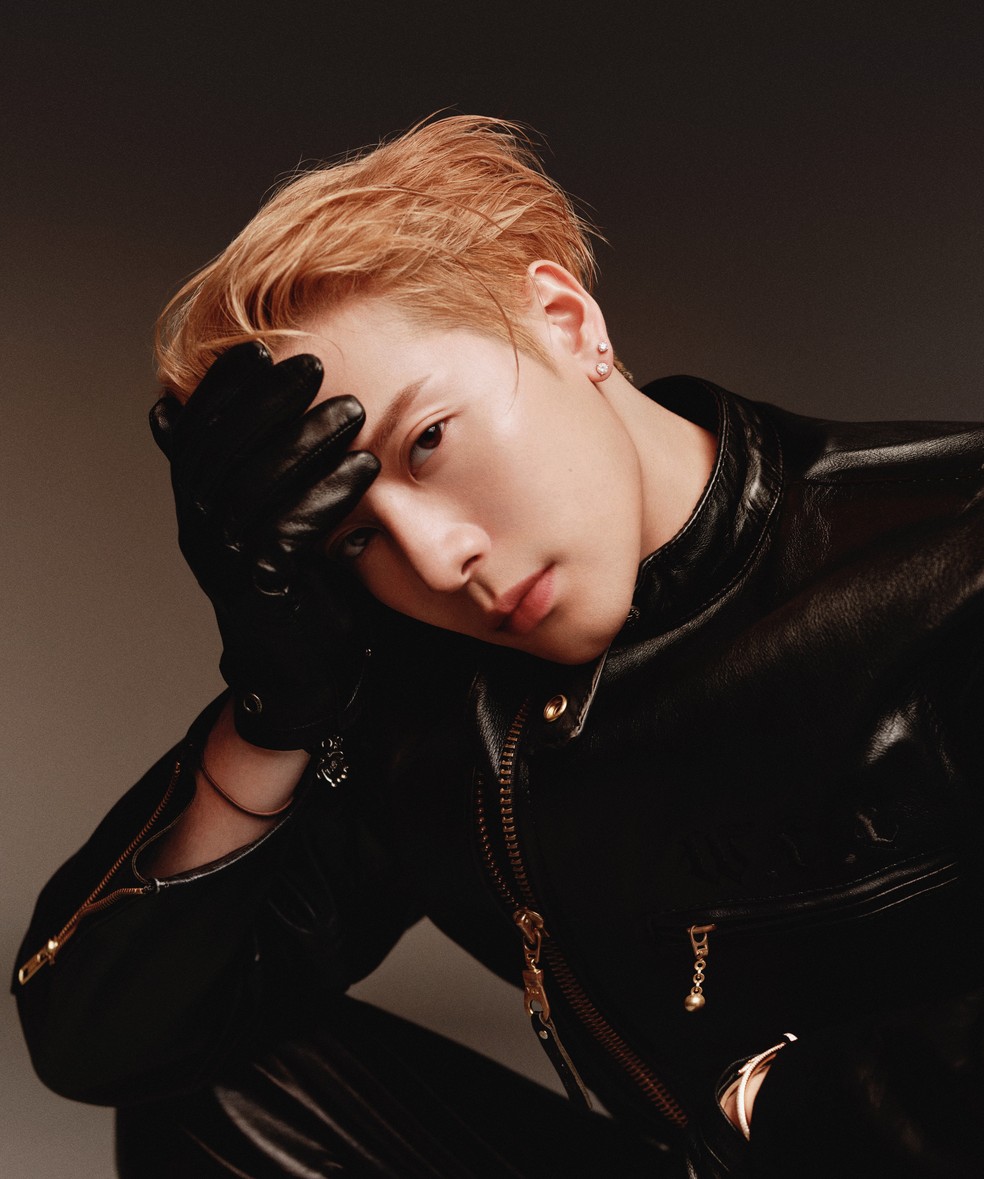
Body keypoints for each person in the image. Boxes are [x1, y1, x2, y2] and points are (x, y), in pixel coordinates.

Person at [13, 115, 984, 1178]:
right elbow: (103, 1038)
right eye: (354, 536)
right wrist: (271, 714)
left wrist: (771, 1109)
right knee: (216, 1087)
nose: (438, 561)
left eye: (428, 440)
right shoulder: (427, 694)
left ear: (566, 322)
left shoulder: (953, 561)